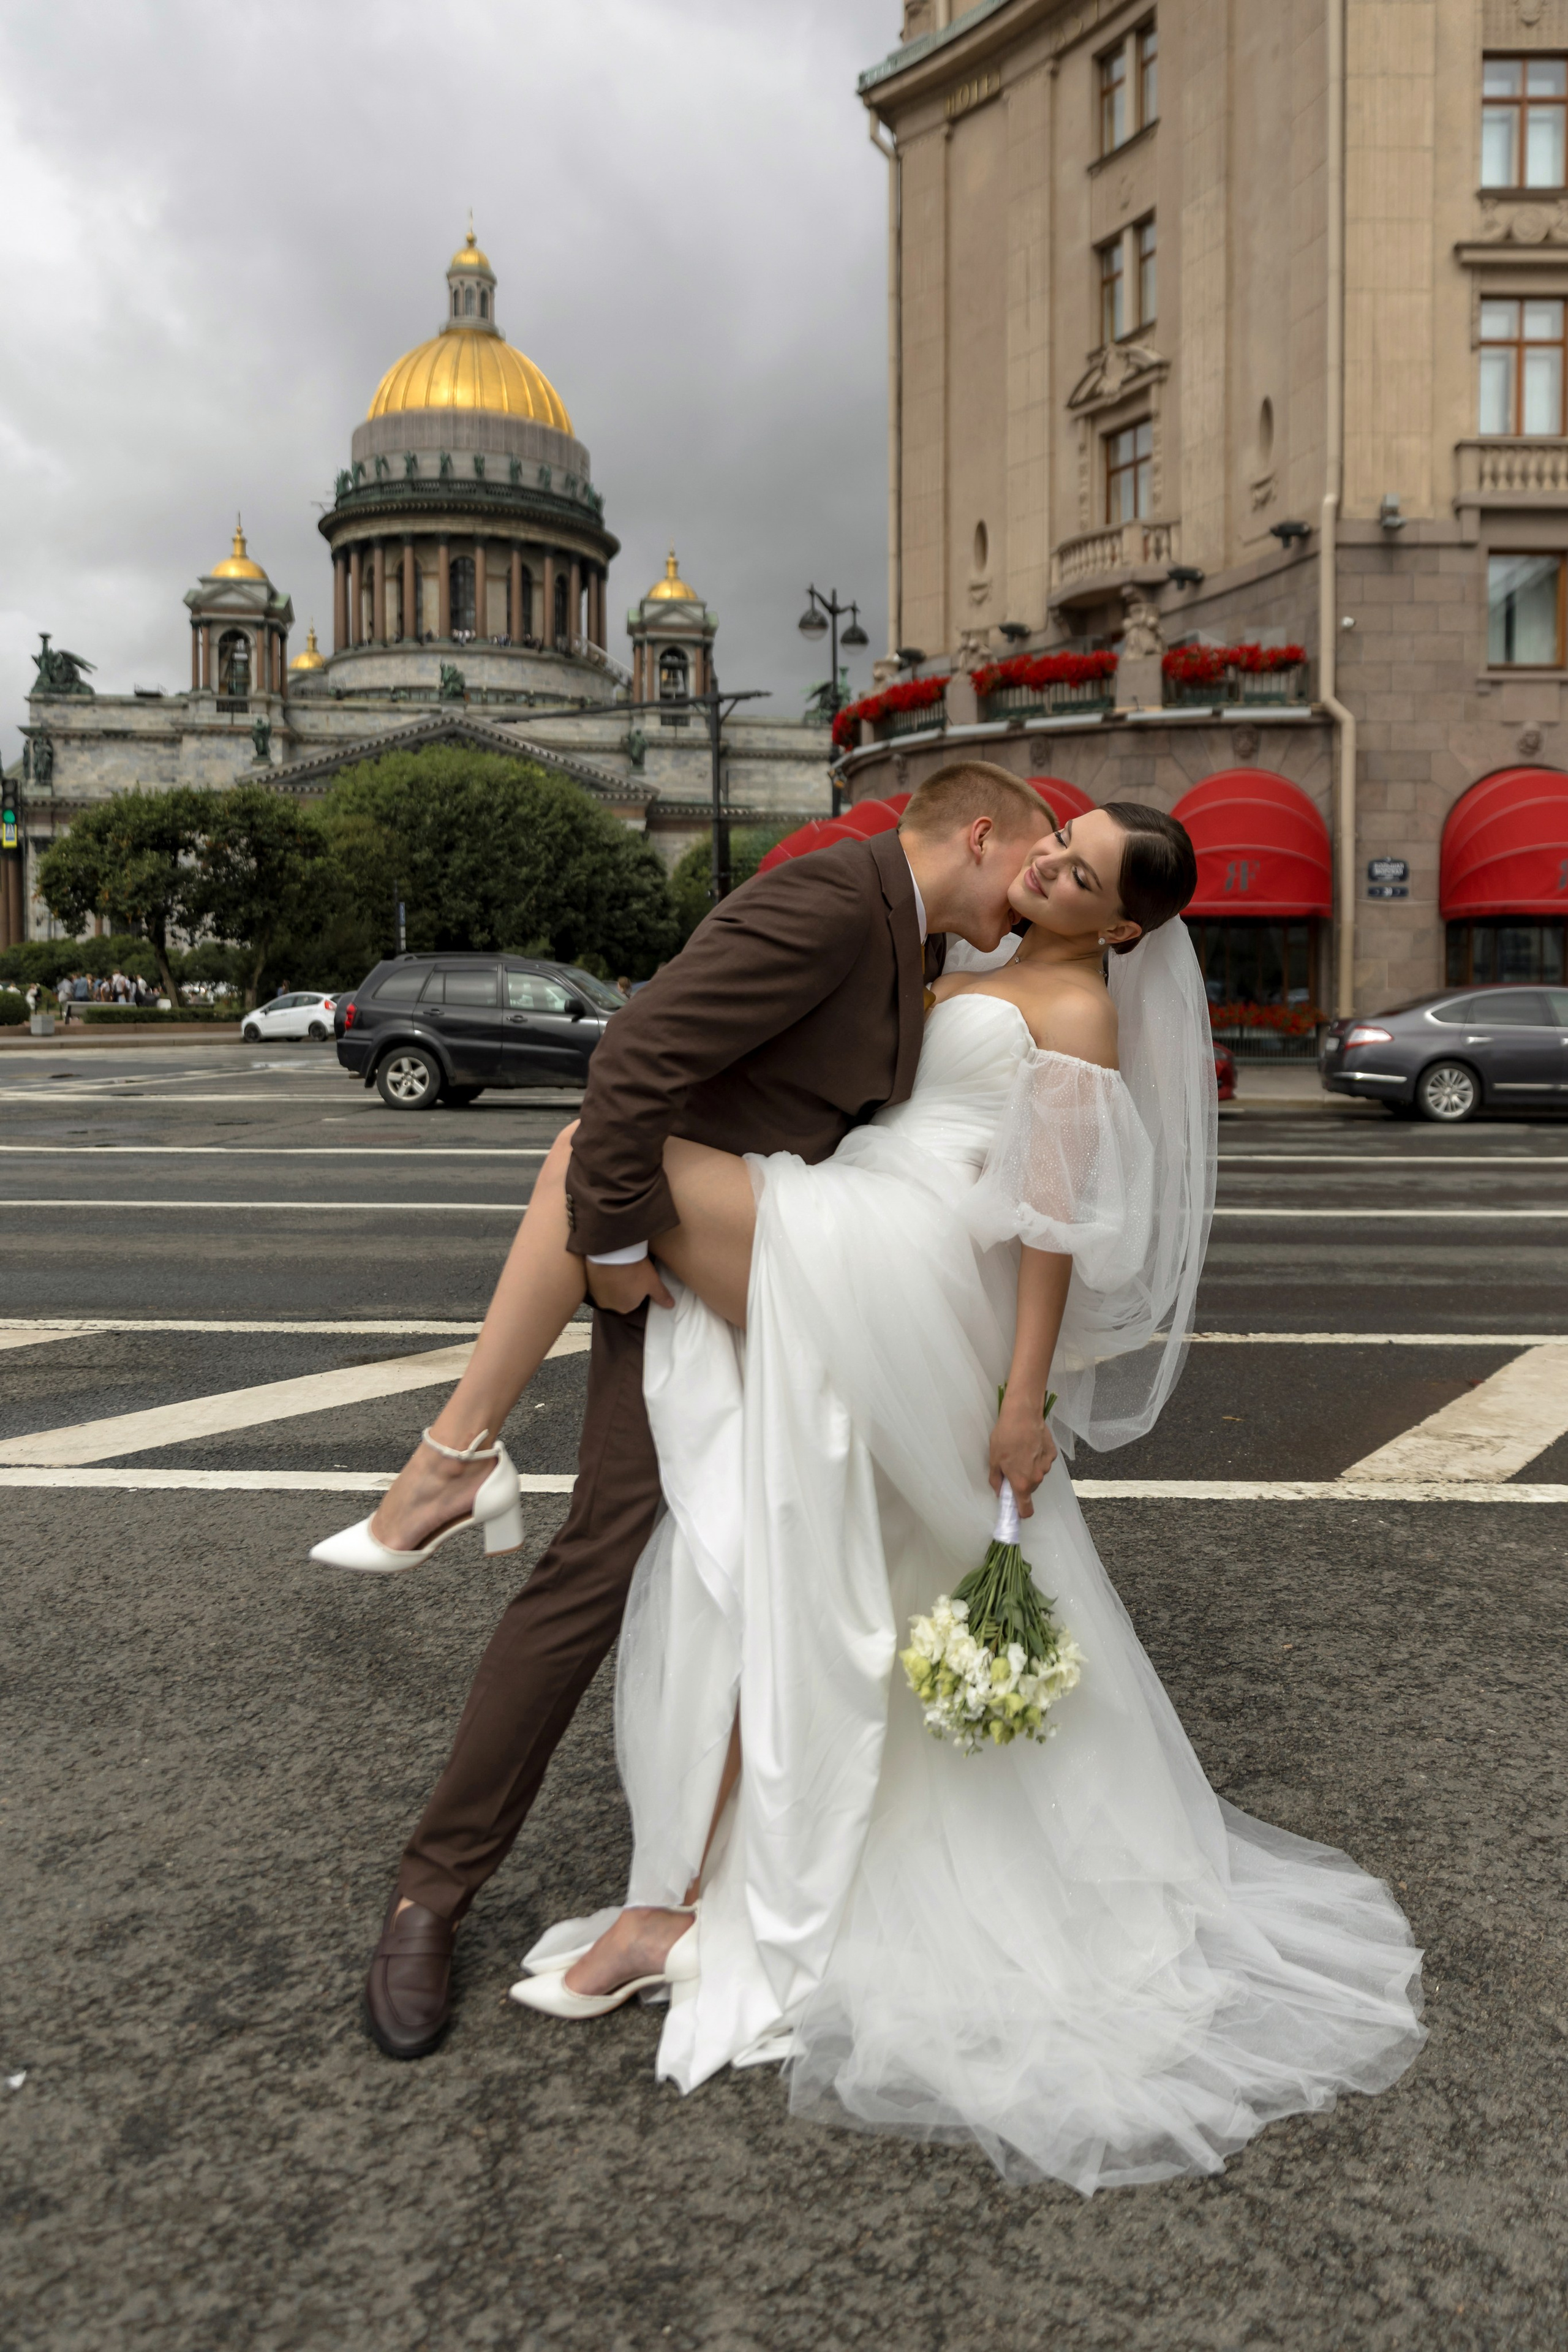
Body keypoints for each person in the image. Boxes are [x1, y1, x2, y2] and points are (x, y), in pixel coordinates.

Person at [314, 790, 1425, 2189]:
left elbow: (1047, 1230)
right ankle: (673, 1886)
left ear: (1122, 925)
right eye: (1052, 841)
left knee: (599, 1169)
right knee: (776, 1575)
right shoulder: (955, 953)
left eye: (1077, 870)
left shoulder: (1070, 1012)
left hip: (894, 1261)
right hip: (851, 1227)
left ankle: (457, 1459)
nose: (1047, 864)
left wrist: (1024, 1403)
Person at [314, 764, 1054, 2060]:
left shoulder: (912, 940)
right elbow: (636, 1058)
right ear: (978, 832)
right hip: (678, 1267)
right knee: (596, 1563)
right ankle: (430, 1892)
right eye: (1035, 861)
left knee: (744, 1580)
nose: (1033, 895)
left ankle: (698, 1887)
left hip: (779, 1281)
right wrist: (607, 1251)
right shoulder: (832, 898)